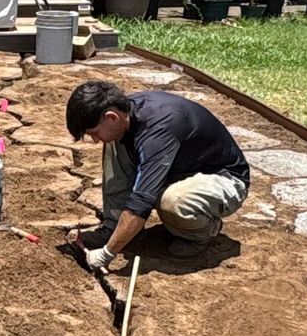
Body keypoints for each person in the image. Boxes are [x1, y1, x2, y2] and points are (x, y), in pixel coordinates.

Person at [64, 79, 250, 271]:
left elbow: (141, 202)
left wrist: (107, 253)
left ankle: (202, 233)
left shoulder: (158, 131)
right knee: (113, 140)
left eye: (94, 132)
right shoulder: (126, 114)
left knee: (173, 202)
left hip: (224, 179)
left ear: (112, 117)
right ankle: (115, 226)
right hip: (182, 168)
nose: (95, 140)